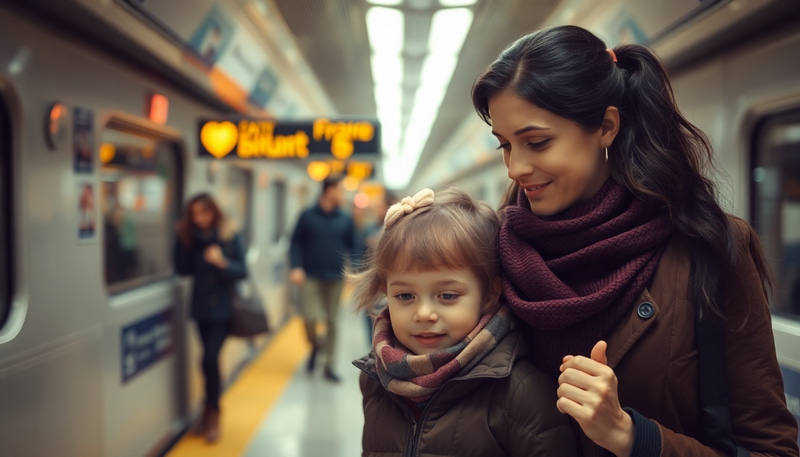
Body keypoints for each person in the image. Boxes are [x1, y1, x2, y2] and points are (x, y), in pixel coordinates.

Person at [471, 25, 799, 456]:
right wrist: (416, 238)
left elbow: (770, 448)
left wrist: (633, 436)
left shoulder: (707, 249)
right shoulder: (496, 245)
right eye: (505, 146)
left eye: (537, 142)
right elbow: (422, 346)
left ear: (606, 127)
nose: (515, 168)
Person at [351, 187, 578, 457]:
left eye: (447, 295)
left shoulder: (520, 392)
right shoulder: (377, 380)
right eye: (405, 295)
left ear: (489, 294)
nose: (424, 313)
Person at [173, 193, 246, 443]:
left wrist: (222, 262)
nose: (200, 219)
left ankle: (213, 414)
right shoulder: (190, 238)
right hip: (201, 309)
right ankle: (207, 411)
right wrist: (181, 239)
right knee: (205, 362)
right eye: (194, 214)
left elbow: (242, 271)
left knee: (210, 357)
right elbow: (182, 269)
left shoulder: (227, 234)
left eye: (204, 213)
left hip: (224, 311)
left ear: (213, 212)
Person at [289, 175, 356, 383]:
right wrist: (296, 267)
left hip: (335, 277)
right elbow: (295, 243)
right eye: (340, 190)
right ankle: (316, 347)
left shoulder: (345, 218)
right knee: (309, 318)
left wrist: (352, 270)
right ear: (329, 191)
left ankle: (329, 364)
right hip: (310, 275)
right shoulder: (307, 216)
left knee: (333, 321)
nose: (343, 195)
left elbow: (352, 246)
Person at [352, 190, 397, 345]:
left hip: (392, 280)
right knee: (370, 316)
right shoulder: (369, 229)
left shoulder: (400, 229)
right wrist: (357, 272)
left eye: (379, 205)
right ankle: (373, 347)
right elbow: (357, 250)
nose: (376, 208)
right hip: (372, 282)